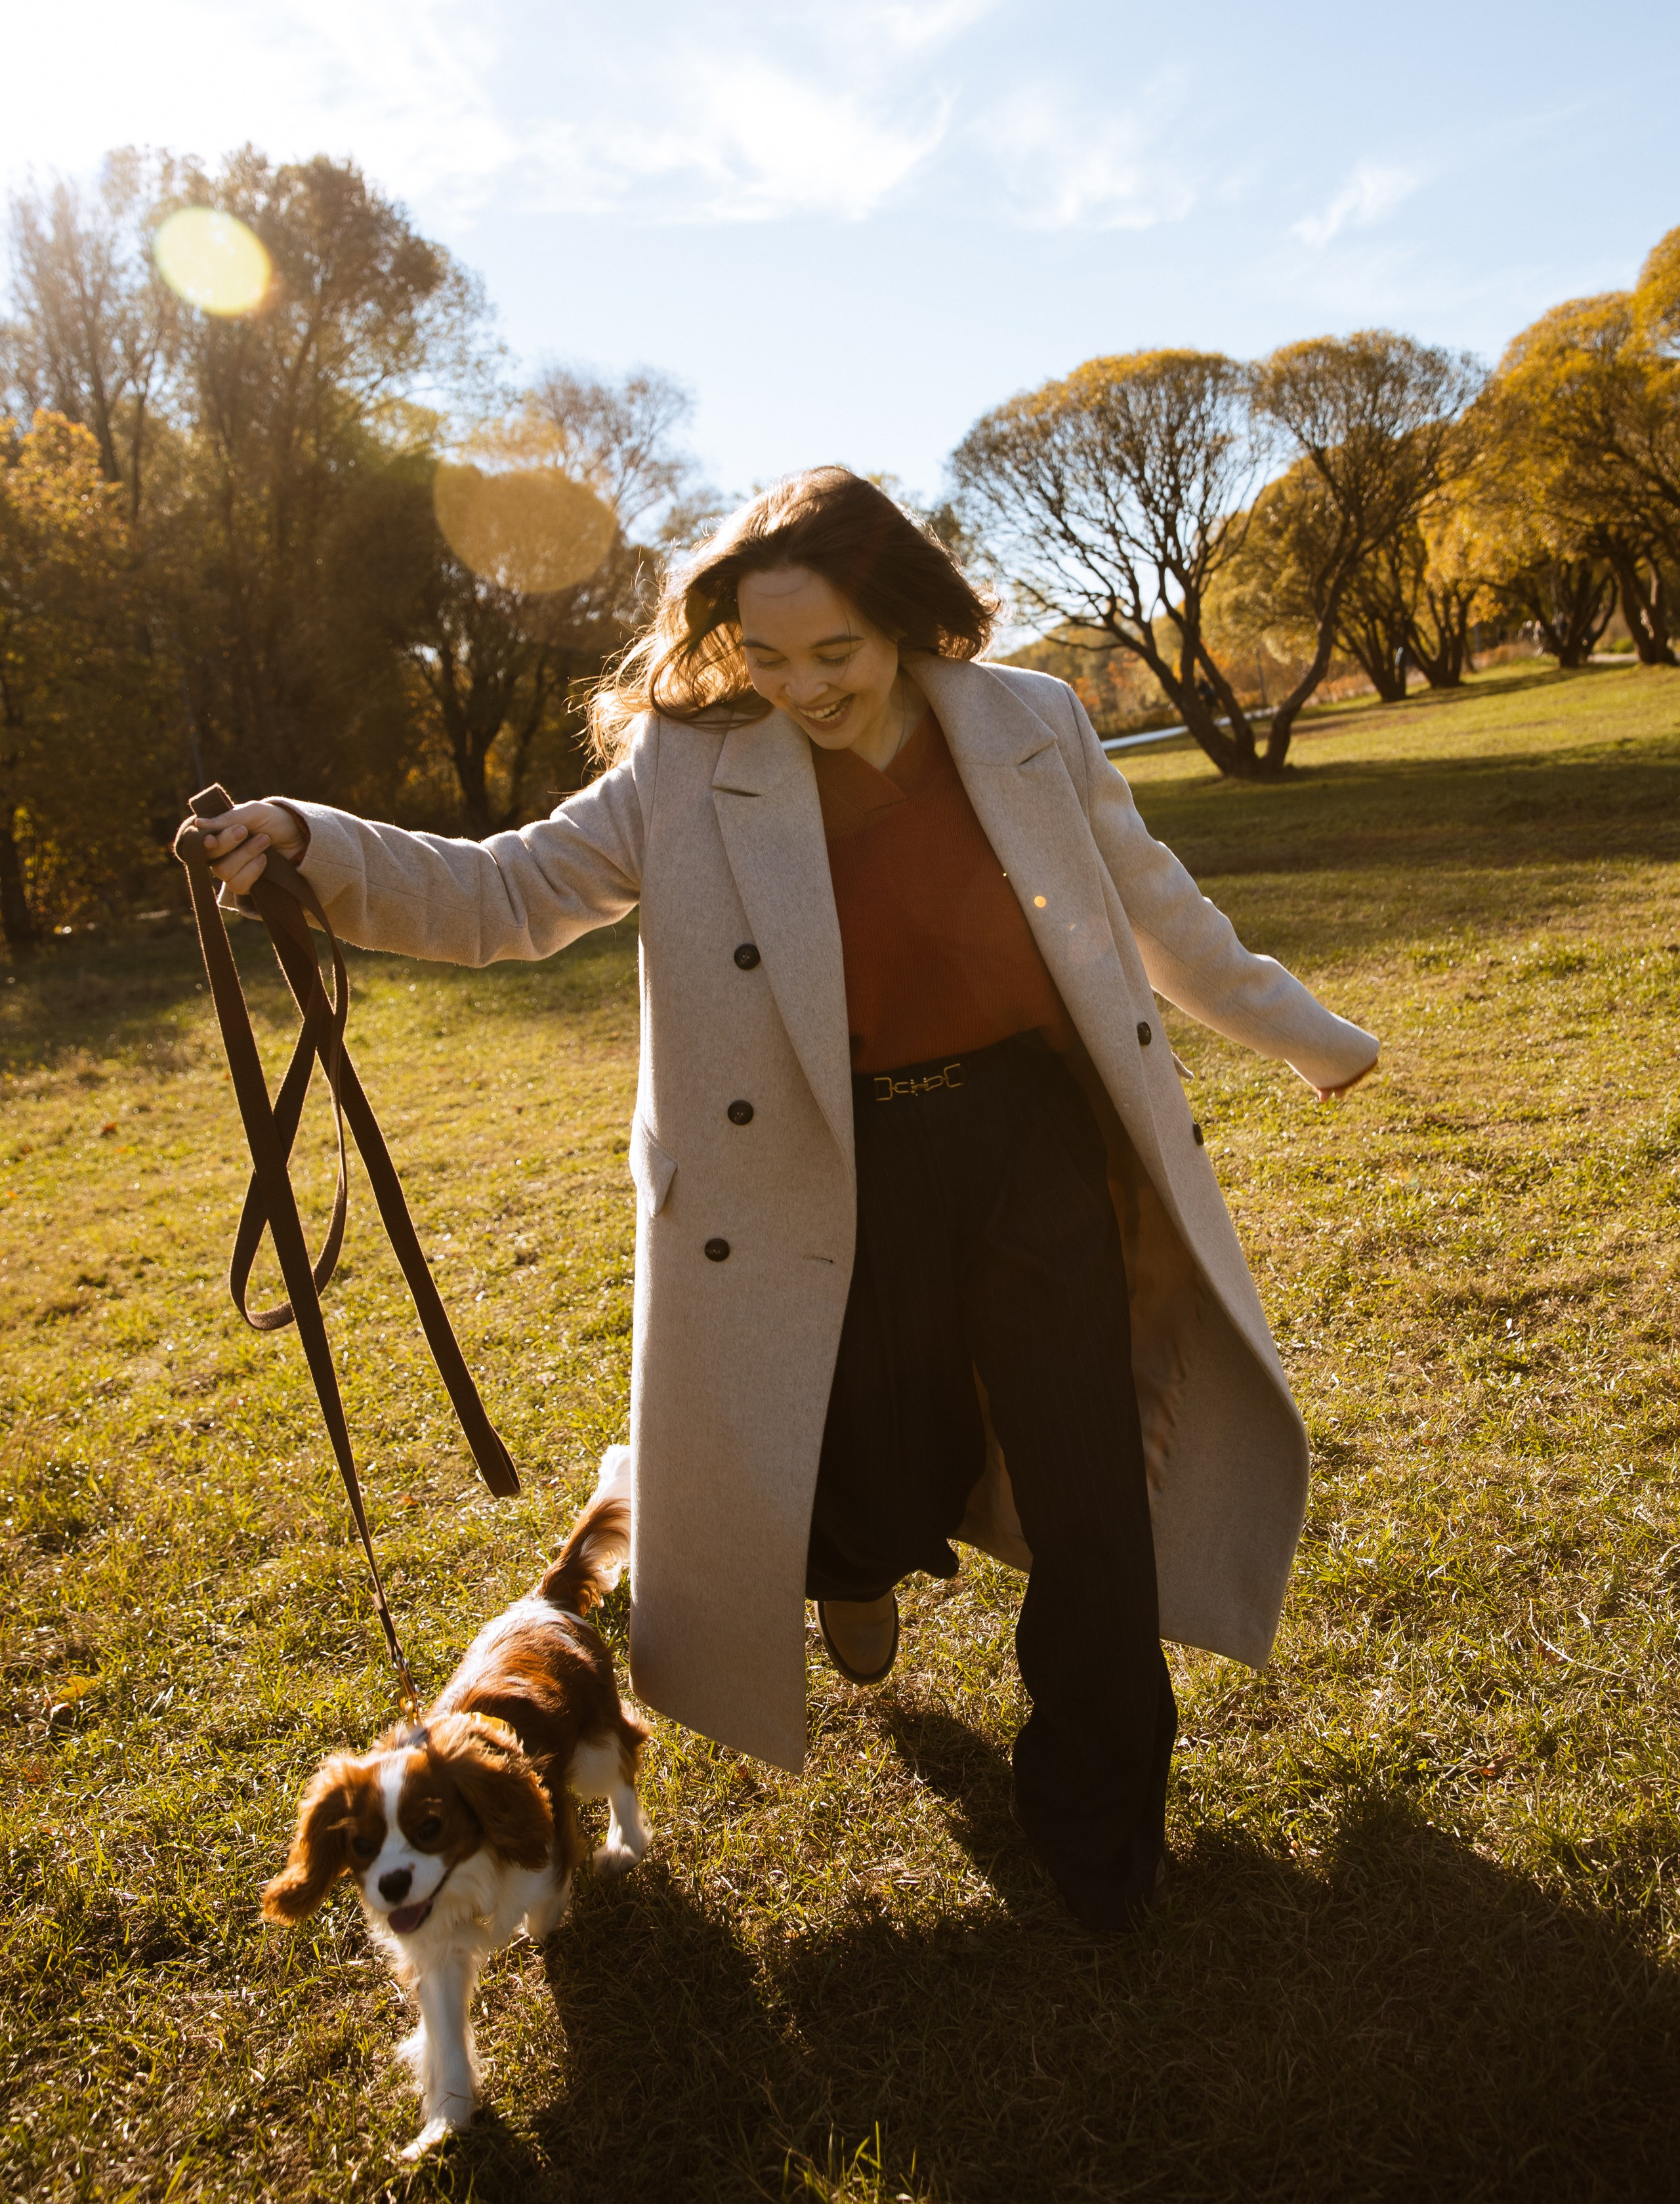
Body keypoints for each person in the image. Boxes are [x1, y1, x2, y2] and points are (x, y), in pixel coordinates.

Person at [200, 467, 1376, 1930]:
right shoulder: (687, 767)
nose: (803, 688)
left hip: (1029, 1146)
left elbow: (1152, 906)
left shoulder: (1028, 723)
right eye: (765, 657)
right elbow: (512, 891)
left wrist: (1307, 1036)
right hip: (823, 1164)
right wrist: (317, 844)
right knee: (864, 1471)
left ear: (906, 624)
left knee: (1091, 1500)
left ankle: (1099, 1839)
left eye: (836, 653)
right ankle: (851, 1564)